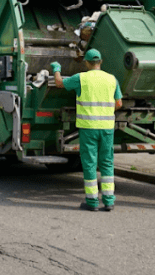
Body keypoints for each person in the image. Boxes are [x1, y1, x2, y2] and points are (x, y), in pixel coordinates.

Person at [52, 49, 123, 212]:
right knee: (107, 163)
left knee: (90, 163)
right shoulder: (112, 79)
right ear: (101, 62)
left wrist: (56, 69)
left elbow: (59, 83)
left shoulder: (81, 78)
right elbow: (118, 103)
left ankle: (92, 202)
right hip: (106, 129)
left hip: (89, 128)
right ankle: (109, 201)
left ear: (86, 62)